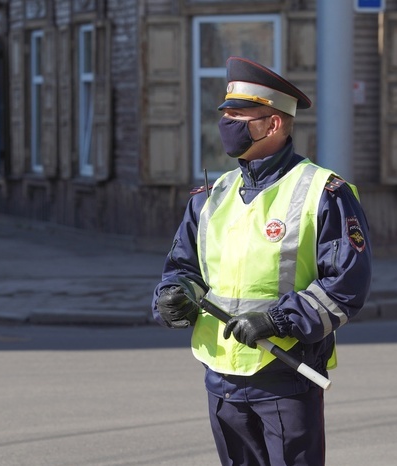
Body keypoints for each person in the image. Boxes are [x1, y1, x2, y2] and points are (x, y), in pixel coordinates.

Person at [152, 56, 372, 466]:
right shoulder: (212, 194)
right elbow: (182, 267)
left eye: (239, 115)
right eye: (227, 114)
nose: (227, 123)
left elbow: (345, 285)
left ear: (272, 124)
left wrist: (276, 320)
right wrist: (173, 295)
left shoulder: (325, 192)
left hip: (286, 375)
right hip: (220, 377)